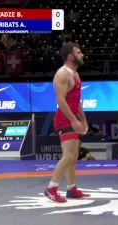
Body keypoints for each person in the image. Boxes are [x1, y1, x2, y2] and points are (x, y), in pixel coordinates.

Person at [44, 42, 90, 203]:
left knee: (73, 156)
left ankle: (71, 189)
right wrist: (73, 120)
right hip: (64, 119)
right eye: (78, 52)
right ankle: (51, 188)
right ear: (70, 56)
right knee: (69, 155)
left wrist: (82, 119)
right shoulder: (62, 74)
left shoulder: (75, 75)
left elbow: (75, 100)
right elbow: (60, 100)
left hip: (71, 117)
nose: (82, 54)